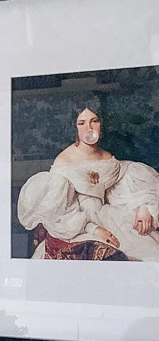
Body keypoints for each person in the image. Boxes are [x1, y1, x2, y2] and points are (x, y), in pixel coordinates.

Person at [17, 105, 159, 261]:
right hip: (79, 225)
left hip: (109, 216)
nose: (89, 128)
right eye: (81, 123)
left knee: (149, 254)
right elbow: (60, 212)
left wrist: (144, 205)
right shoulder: (65, 161)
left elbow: (128, 174)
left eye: (94, 121)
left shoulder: (106, 156)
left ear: (101, 125)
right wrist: (93, 229)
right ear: (74, 128)